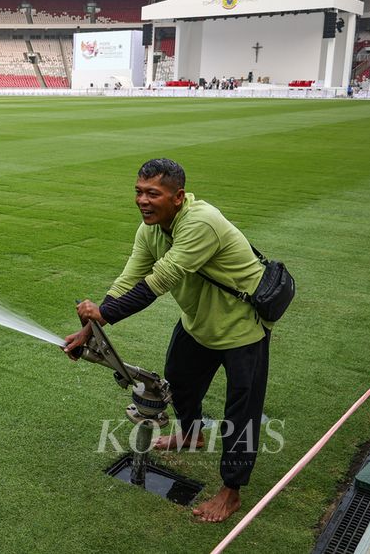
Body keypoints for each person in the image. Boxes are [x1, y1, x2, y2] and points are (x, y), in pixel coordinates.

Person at [64, 158, 271, 523]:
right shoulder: (151, 230)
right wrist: (89, 331)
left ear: (177, 197)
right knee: (180, 384)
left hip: (242, 329)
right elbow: (128, 280)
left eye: (152, 194)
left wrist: (104, 316)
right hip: (198, 324)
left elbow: (158, 282)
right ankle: (192, 435)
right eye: (138, 192)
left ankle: (231, 492)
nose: (142, 200)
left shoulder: (201, 222)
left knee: (242, 412)